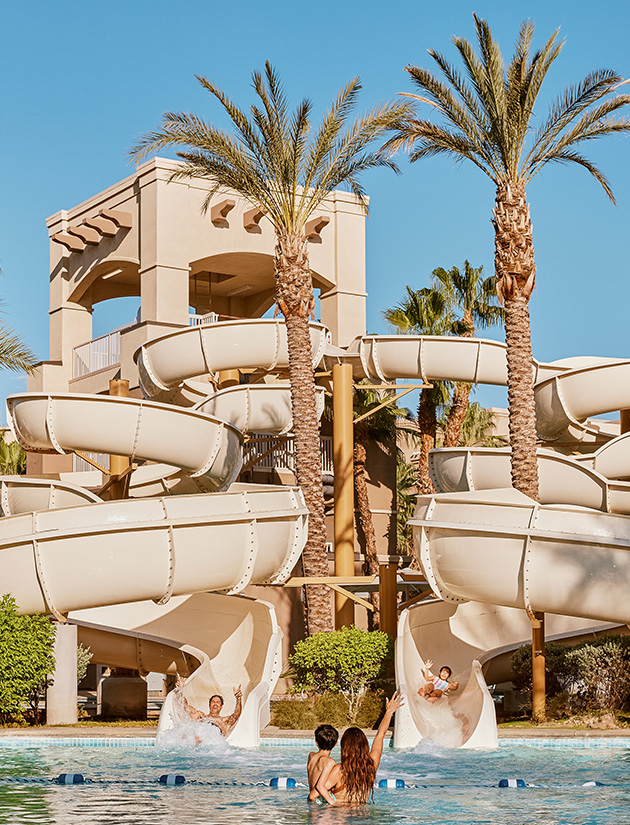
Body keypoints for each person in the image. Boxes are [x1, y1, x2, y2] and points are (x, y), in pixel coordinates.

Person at [315, 692, 404, 805]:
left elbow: (317, 792)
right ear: (364, 745)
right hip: (363, 813)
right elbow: (380, 734)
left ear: (344, 747)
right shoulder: (371, 766)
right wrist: (389, 712)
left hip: (340, 813)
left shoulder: (339, 770)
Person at [175, 675, 242, 736]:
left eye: (217, 702)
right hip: (200, 734)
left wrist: (238, 699)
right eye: (213, 702)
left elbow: (236, 715)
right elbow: (185, 706)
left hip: (214, 737)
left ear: (221, 706)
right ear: (209, 705)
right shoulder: (201, 716)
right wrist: (180, 690)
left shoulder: (224, 721)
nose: (215, 704)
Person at [307, 724, 339, 802]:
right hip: (322, 800)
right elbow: (320, 786)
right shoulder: (329, 761)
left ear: (316, 743)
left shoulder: (311, 756)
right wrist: (333, 804)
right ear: (336, 744)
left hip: (312, 800)